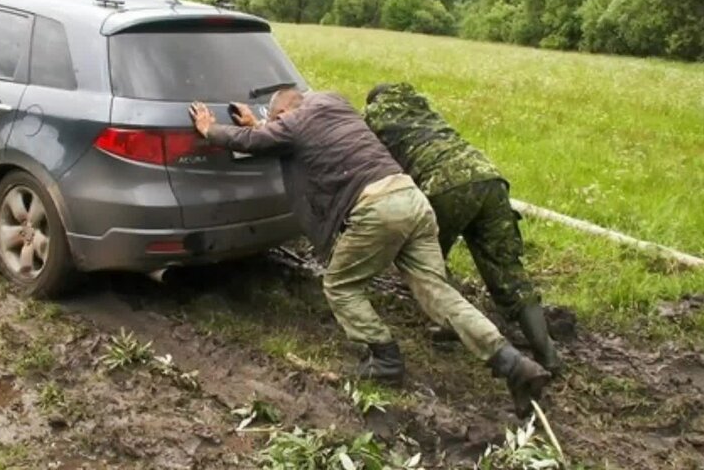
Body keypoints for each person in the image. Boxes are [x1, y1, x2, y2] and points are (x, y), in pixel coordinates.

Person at [188, 89, 550, 417]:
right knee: (439, 293)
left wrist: (210, 129)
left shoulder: (292, 124)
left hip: (377, 208)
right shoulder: (334, 103)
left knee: (341, 285)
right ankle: (516, 366)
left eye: (275, 116)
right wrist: (263, 124)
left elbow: (256, 140)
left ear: (282, 112)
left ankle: (385, 359)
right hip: (413, 200)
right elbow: (283, 135)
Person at [363, 82, 561, 374]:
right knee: (508, 271)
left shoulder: (373, 114)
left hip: (443, 185)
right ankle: (549, 356)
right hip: (488, 177)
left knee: (425, 263)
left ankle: (451, 324)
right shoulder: (420, 104)